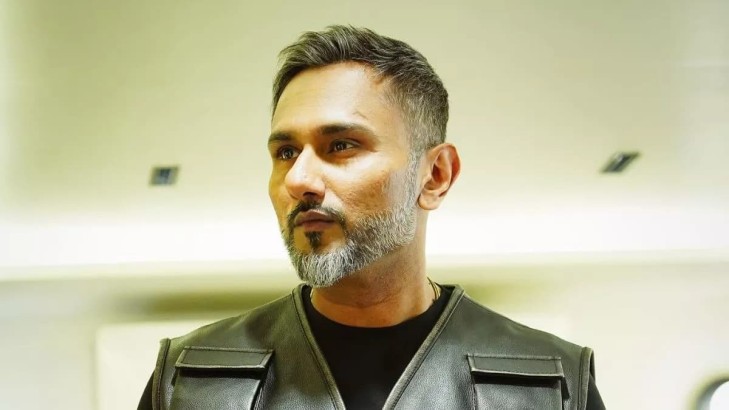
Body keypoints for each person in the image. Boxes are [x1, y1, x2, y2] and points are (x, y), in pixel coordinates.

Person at [138, 25, 605, 409]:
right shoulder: (188, 382)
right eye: (285, 152)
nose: (298, 179)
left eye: (340, 145)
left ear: (435, 176)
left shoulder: (554, 386)